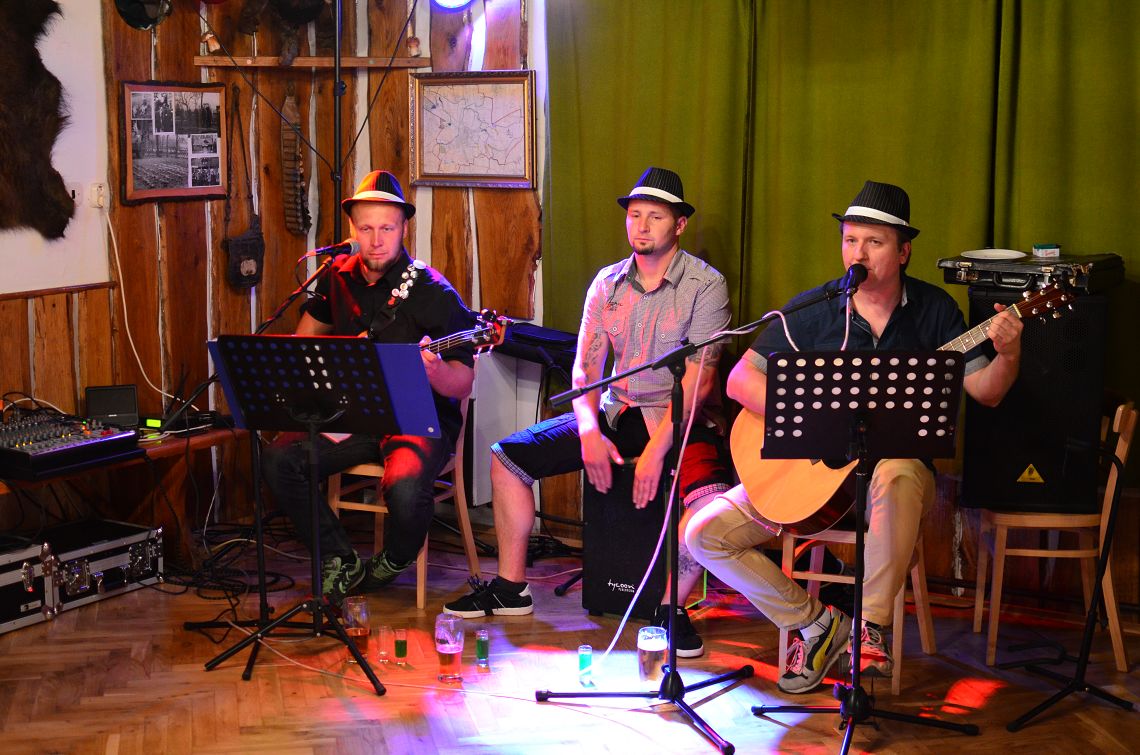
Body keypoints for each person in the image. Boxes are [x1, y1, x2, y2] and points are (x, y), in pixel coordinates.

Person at [684, 180, 1024, 693]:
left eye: (874, 242)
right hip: (816, 482)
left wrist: (1010, 353)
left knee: (897, 469)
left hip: (895, 483)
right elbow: (740, 382)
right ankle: (814, 623)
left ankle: (871, 631)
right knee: (704, 534)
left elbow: (987, 391)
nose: (857, 254)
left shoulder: (936, 311)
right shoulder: (815, 309)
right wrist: (820, 419)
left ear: (903, 251)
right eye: (850, 240)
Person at [443, 167, 734, 658]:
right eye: (635, 215)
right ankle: (511, 588)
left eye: (656, 216)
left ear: (679, 225)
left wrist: (656, 452)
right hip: (617, 411)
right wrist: (589, 431)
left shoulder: (706, 285)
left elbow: (698, 381)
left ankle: (670, 610)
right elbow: (585, 369)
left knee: (710, 502)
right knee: (507, 458)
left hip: (678, 419)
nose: (642, 225)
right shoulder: (608, 282)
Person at [261, 170, 476, 606]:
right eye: (366, 229)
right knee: (279, 459)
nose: (376, 240)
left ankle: (393, 560)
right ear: (352, 230)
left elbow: (463, 381)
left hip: (416, 418)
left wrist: (434, 371)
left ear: (403, 229)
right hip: (355, 414)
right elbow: (304, 342)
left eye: (387, 229)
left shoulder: (434, 292)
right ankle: (339, 557)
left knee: (406, 487)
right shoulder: (336, 276)